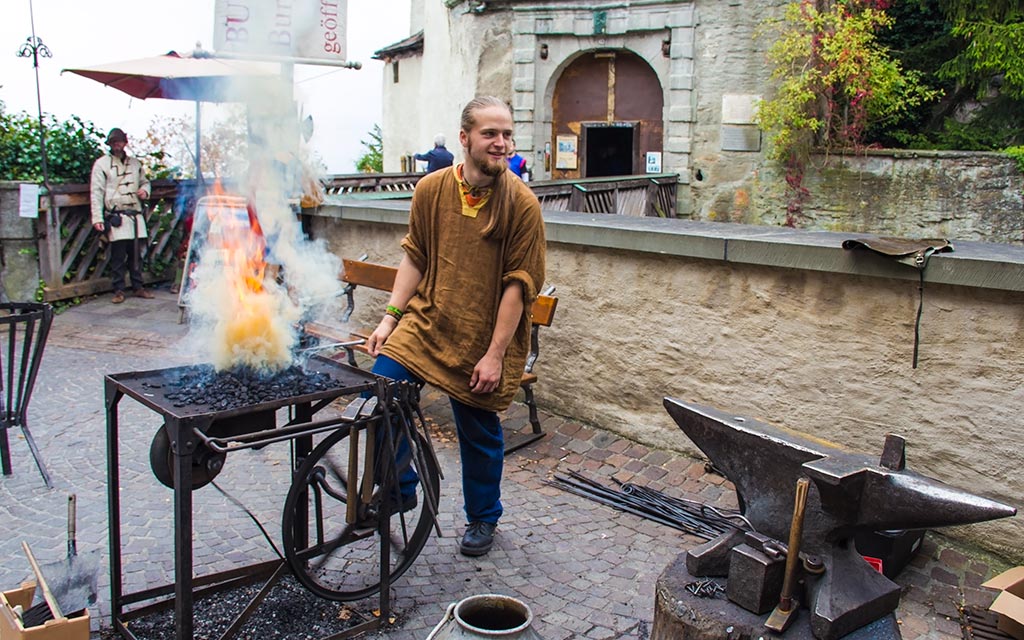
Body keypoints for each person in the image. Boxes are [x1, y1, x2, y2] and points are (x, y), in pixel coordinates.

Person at [366, 96, 546, 557]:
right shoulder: (431, 189)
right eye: (490, 134)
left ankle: (484, 517)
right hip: (427, 322)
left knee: (478, 429)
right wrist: (391, 318)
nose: (501, 143)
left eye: (507, 134)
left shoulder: (521, 205)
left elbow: (518, 287)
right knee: (383, 394)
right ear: (465, 138)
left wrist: (495, 354)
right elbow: (415, 255)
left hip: (483, 335)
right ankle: (403, 485)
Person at [90, 128, 154, 304]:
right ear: (110, 144)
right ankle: (118, 289)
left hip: (134, 214)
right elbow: (96, 192)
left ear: (125, 143)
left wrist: (144, 191)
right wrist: (97, 218)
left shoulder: (135, 164)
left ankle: (138, 286)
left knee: (136, 255)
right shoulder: (102, 164)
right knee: (118, 256)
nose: (117, 145)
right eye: (114, 142)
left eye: (120, 142)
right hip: (117, 215)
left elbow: (145, 182)